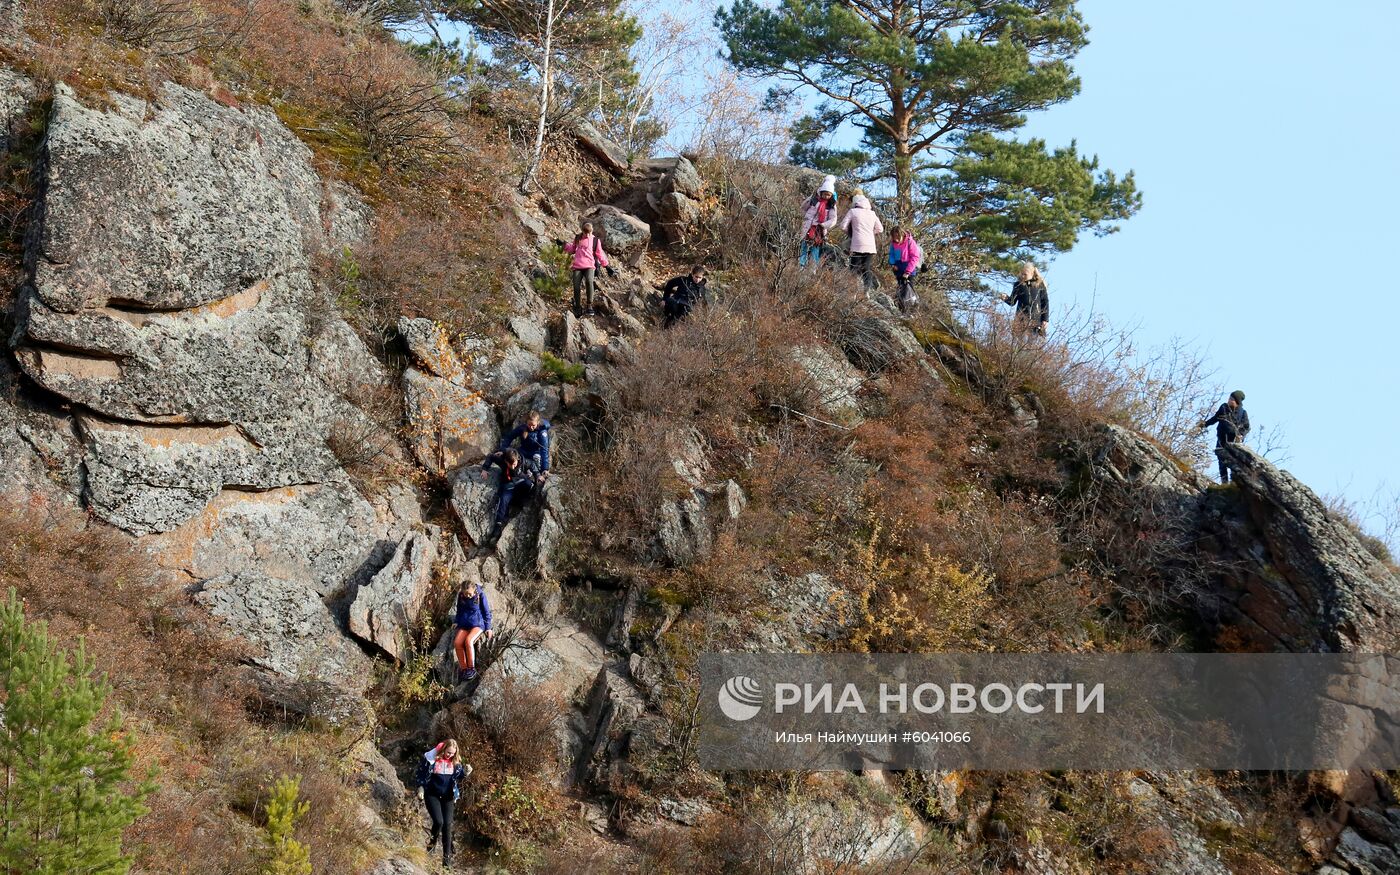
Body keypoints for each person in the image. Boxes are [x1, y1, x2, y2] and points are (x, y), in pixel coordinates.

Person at [414, 739, 471, 867]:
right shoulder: (432, 759)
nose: (449, 755)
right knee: (439, 822)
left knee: (447, 825)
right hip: (432, 794)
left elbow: (458, 776)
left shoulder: (455, 762)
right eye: (448, 752)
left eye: (452, 753)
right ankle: (431, 847)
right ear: (444, 749)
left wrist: (466, 772)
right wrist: (420, 787)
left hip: (448, 797)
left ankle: (447, 861)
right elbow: (421, 774)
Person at [478, 447, 543, 544]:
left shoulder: (522, 460)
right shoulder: (502, 460)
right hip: (507, 485)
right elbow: (491, 456)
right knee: (503, 501)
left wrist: (538, 475)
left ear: (517, 460)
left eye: (514, 464)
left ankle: (519, 501)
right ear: (505, 461)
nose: (513, 467)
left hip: (520, 482)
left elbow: (532, 464)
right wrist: (484, 469)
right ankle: (498, 527)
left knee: (529, 485)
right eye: (510, 464)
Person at [563, 222, 616, 317]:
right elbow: (572, 249)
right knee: (576, 286)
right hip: (578, 266)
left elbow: (600, 254)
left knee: (589, 281)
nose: (587, 235)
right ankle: (578, 306)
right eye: (585, 233)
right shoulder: (578, 238)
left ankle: (589, 305)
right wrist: (564, 245)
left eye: (589, 233)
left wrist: (607, 266)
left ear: (592, 231)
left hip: (589, 266)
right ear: (582, 231)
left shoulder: (595, 240)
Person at [1199, 390, 1250, 484]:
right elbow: (1215, 418)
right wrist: (1204, 424)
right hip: (1221, 439)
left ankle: (1234, 484)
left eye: (1231, 399)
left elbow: (1246, 427)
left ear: (1237, 401)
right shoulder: (1224, 407)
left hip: (1234, 442)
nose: (1229, 400)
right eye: (1229, 398)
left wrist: (1241, 435)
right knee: (1221, 461)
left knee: (1233, 463)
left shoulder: (1243, 413)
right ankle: (1224, 483)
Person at [452, 577, 494, 682]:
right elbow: (459, 610)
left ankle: (471, 668)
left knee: (468, 641)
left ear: (474, 590)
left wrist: (488, 628)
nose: (468, 596)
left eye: (470, 594)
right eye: (466, 594)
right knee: (457, 643)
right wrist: (456, 621)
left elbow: (486, 611)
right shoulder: (461, 596)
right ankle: (464, 669)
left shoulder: (480, 595)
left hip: (477, 624)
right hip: (464, 624)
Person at [839, 193, 884, 290]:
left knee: (853, 268)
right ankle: (866, 290)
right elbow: (880, 229)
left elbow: (842, 226)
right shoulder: (872, 213)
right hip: (870, 246)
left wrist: (851, 233)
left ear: (856, 203)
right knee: (866, 268)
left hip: (857, 244)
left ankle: (852, 289)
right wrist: (871, 233)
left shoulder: (853, 211)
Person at [497, 409, 551, 476]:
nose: (531, 427)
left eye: (533, 425)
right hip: (523, 451)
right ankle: (517, 472)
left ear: (538, 422)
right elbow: (509, 437)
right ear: (526, 423)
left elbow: (544, 450)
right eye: (529, 425)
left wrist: (545, 468)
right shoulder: (522, 428)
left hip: (536, 453)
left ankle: (536, 473)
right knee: (513, 455)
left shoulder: (542, 432)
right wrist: (503, 450)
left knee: (536, 458)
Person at [799, 176, 839, 266]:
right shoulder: (814, 199)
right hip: (808, 227)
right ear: (821, 192)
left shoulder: (831, 205)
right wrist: (809, 198)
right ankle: (801, 266)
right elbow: (803, 208)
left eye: (828, 195)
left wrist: (823, 225)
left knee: (815, 248)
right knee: (804, 246)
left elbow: (833, 219)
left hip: (819, 229)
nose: (826, 196)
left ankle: (813, 269)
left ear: (831, 195)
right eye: (824, 194)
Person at [1003, 262, 1049, 336]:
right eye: (1022, 274)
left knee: (1034, 344)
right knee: (1019, 342)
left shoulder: (1039, 284)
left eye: (1025, 274)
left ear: (1032, 273)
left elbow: (1045, 302)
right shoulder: (1018, 285)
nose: (1023, 276)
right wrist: (1005, 298)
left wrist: (1045, 319)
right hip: (1021, 320)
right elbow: (1012, 302)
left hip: (1037, 321)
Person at [887, 226, 923, 313]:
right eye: (894, 237)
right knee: (900, 289)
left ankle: (911, 310)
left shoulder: (910, 242)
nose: (896, 240)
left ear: (902, 234)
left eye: (897, 237)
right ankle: (901, 309)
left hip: (909, 270)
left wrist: (907, 272)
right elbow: (891, 254)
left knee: (908, 290)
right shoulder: (893, 243)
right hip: (898, 270)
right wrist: (893, 264)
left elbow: (915, 257)